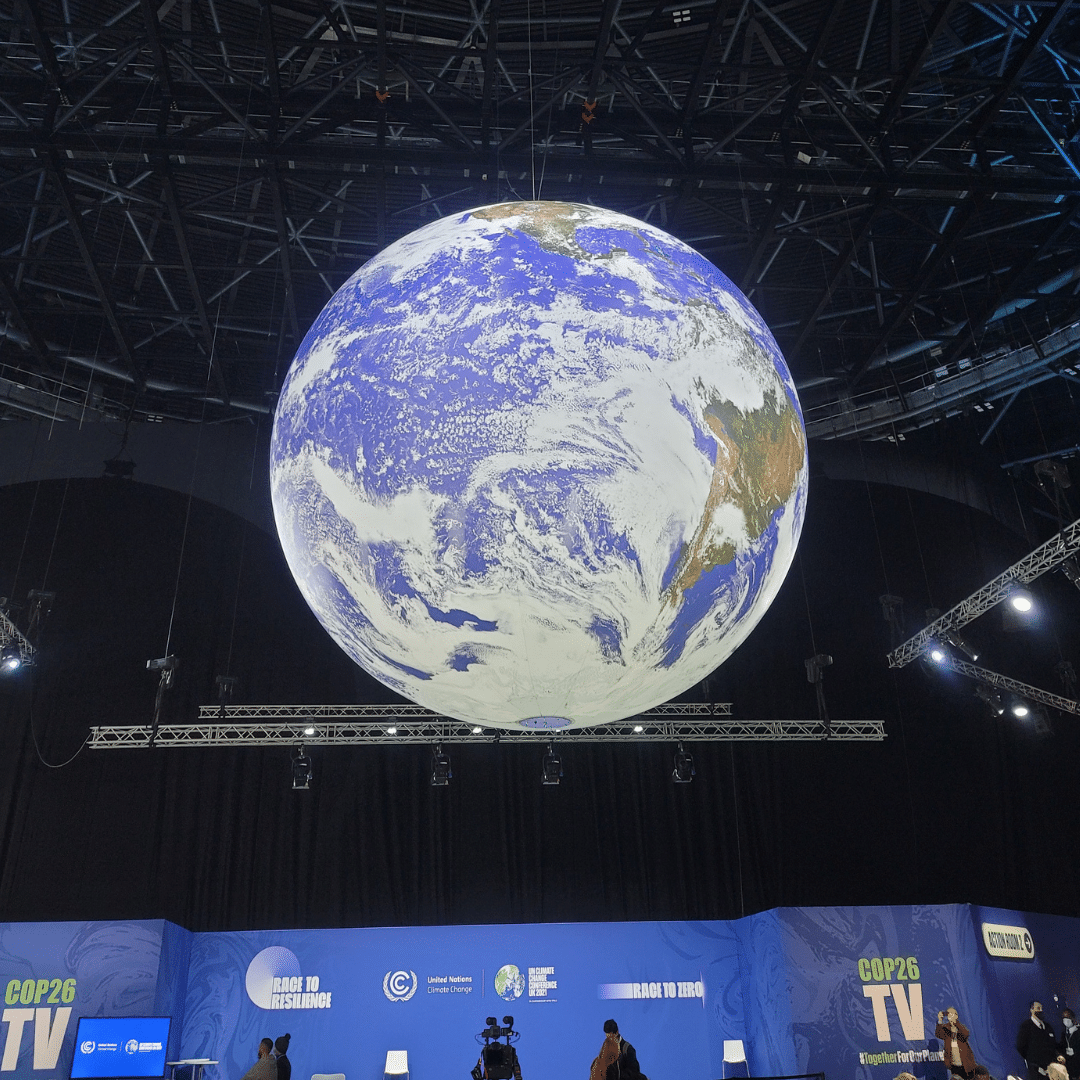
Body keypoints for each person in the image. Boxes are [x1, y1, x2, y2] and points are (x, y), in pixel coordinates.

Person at [1018, 1002, 1062, 1080]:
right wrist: (1034, 1064)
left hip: (1051, 1070)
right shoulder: (1026, 1026)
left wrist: (1058, 1056)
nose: (1041, 1010)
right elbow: (1021, 1047)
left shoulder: (1048, 1027)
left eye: (1041, 1008)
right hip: (1036, 1072)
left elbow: (1053, 1045)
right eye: (1038, 1008)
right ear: (1031, 1010)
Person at [936, 1007, 976, 1080]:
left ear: (956, 1016)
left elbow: (966, 1034)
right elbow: (939, 1034)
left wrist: (955, 1023)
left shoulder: (960, 1027)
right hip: (954, 1065)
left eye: (952, 1014)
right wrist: (940, 1021)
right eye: (948, 1014)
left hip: (965, 1063)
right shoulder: (946, 1027)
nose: (950, 1016)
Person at [1060, 1011, 1080, 1080]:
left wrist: (1075, 1052)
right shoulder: (1063, 1034)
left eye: (1068, 1019)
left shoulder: (1078, 1032)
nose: (1066, 1021)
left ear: (1072, 1019)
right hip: (1069, 1066)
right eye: (1064, 1019)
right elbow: (1062, 1047)